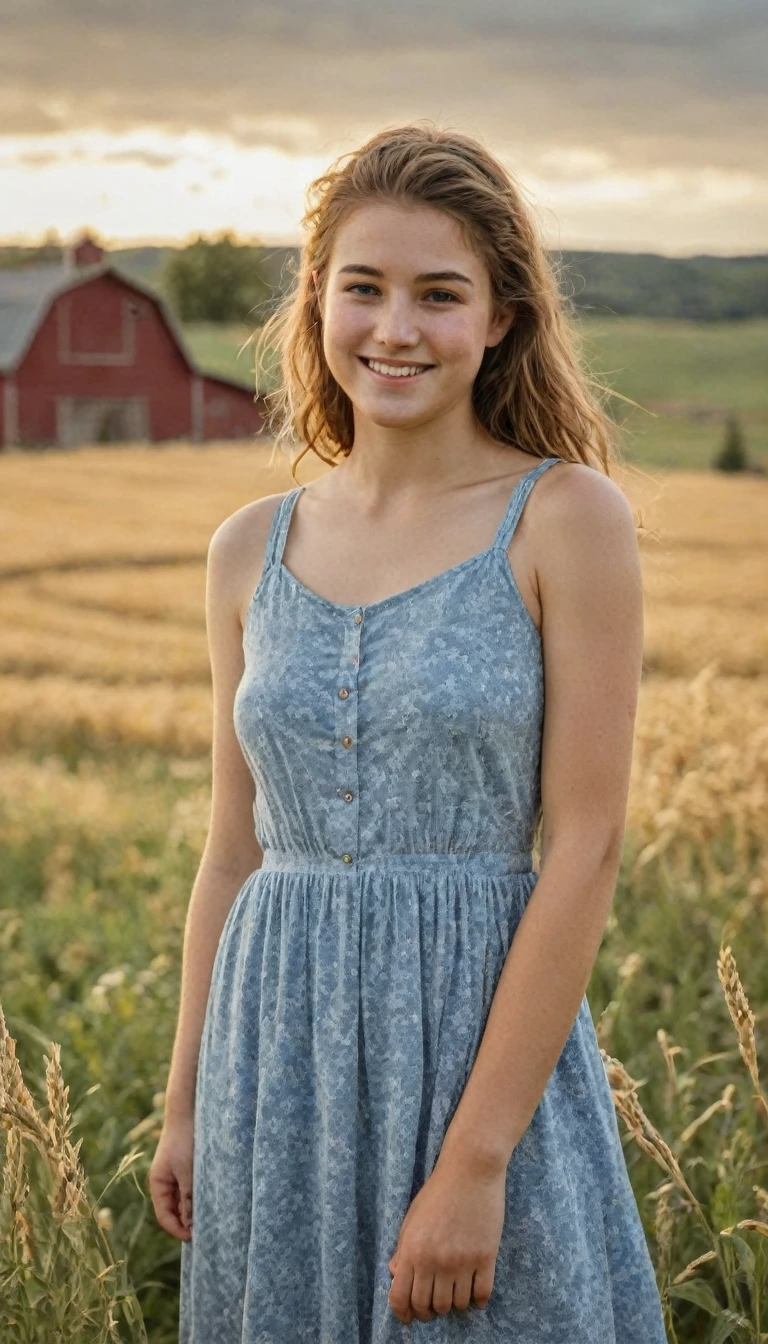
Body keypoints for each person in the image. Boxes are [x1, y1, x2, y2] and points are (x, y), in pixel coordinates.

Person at [149, 122, 668, 1342]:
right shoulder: (248, 548)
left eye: (440, 295)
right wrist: (184, 1103)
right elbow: (233, 854)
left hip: (474, 1056)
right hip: (270, 1065)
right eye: (363, 288)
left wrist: (479, 1160)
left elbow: (586, 845)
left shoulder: (565, 519)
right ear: (317, 301)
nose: (395, 328)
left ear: (500, 319)